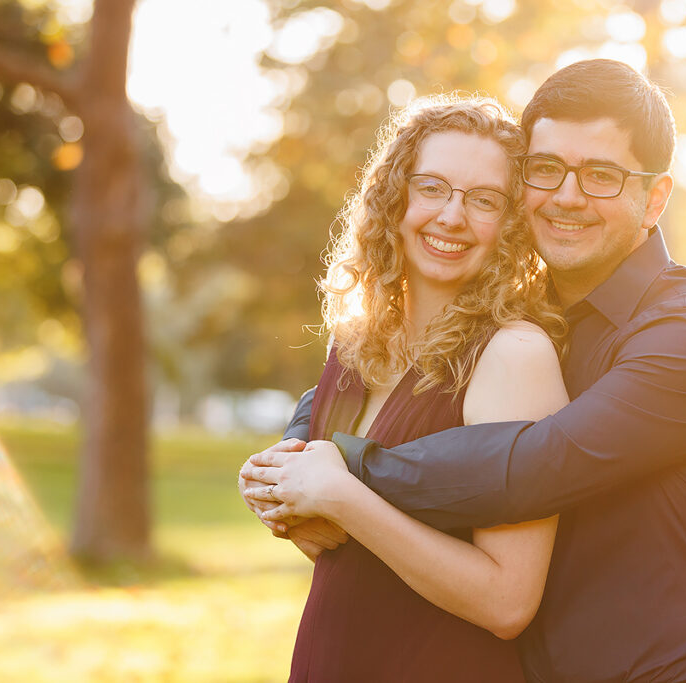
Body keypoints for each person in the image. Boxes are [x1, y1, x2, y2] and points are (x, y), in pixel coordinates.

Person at [246, 59, 686, 683]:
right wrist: (293, 455)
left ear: (654, 197)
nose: (567, 196)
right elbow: (401, 388)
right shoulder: (530, 316)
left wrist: (341, 472)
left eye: (601, 175)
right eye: (546, 170)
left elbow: (531, 466)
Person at [241, 95, 570, 682]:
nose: (452, 216)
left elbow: (508, 602)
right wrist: (279, 494)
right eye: (433, 188)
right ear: (396, 198)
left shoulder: (513, 356)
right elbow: (340, 546)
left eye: (484, 200)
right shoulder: (352, 346)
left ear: (512, 222)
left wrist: (341, 496)